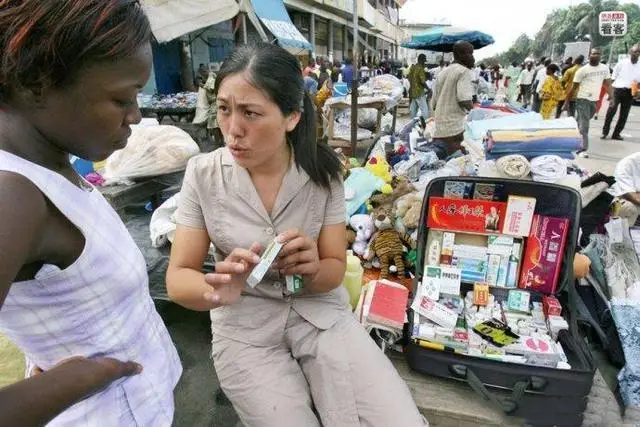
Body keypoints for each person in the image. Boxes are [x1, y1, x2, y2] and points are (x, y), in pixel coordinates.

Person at [165, 42, 427, 427]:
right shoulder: (203, 175)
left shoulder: (323, 176)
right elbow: (178, 277)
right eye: (224, 109)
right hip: (246, 330)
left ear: (291, 117)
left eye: (251, 113)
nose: (233, 129)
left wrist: (313, 267)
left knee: (398, 420)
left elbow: (335, 269)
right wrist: (215, 289)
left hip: (319, 314)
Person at [0, 1, 182, 426]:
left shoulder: (52, 163)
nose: (136, 116)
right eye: (121, 99)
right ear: (36, 83)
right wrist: (73, 382)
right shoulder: (13, 197)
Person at [430, 41, 475, 157]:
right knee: (458, 159)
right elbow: (464, 99)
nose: (472, 57)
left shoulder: (443, 72)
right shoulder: (464, 71)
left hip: (440, 127)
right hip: (455, 128)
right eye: (470, 53)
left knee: (441, 159)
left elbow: (434, 102)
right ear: (460, 54)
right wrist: (474, 110)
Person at [566, 48, 613, 158]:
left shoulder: (604, 68)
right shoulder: (582, 70)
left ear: (600, 55)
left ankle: (574, 133)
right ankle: (583, 149)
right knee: (585, 125)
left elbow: (608, 84)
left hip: (594, 101)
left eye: (598, 54)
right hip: (582, 99)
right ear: (589, 55)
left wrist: (612, 97)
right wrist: (566, 101)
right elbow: (574, 87)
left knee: (583, 121)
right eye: (593, 54)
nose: (596, 55)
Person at [602, 44, 640, 140]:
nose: (637, 54)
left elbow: (638, 82)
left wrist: (637, 91)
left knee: (624, 115)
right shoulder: (622, 63)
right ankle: (605, 132)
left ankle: (616, 134)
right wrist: (610, 92)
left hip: (630, 91)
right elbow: (613, 78)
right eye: (635, 52)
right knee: (611, 111)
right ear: (630, 52)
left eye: (638, 52)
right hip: (617, 90)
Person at [609, 152, 640, 227]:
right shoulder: (627, 164)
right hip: (623, 198)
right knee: (628, 207)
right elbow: (632, 196)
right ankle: (621, 236)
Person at [408, 54, 429, 122]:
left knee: (413, 110)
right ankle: (425, 124)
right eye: (424, 61)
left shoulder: (413, 67)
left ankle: (412, 124)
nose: (424, 63)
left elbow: (409, 78)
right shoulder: (420, 68)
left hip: (412, 92)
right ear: (422, 60)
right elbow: (422, 81)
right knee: (425, 110)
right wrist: (429, 89)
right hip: (419, 92)